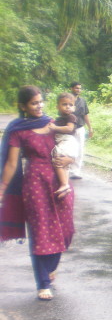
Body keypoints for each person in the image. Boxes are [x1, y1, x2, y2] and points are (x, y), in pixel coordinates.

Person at [0, 86, 75, 300]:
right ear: (23, 106)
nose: (39, 106)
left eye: (41, 101)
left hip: (58, 179)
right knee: (41, 231)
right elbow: (12, 163)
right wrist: (2, 188)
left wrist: (71, 160)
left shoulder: (52, 123)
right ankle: (42, 282)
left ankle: (51, 267)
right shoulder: (18, 130)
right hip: (34, 184)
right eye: (34, 103)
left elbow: (70, 146)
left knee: (65, 228)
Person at [50, 93, 80, 199]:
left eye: (70, 105)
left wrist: (54, 128)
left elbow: (69, 129)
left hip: (67, 141)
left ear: (74, 107)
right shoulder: (60, 118)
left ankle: (64, 184)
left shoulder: (71, 117)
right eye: (64, 104)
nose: (68, 107)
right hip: (64, 141)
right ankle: (65, 187)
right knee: (65, 166)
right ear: (58, 106)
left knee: (58, 160)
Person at [69, 81, 93, 179]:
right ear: (71, 88)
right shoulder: (67, 99)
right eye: (76, 88)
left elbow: (85, 115)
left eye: (79, 88)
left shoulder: (82, 101)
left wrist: (90, 128)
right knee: (69, 149)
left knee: (80, 149)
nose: (78, 90)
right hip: (68, 129)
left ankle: (76, 171)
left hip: (80, 128)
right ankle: (68, 169)